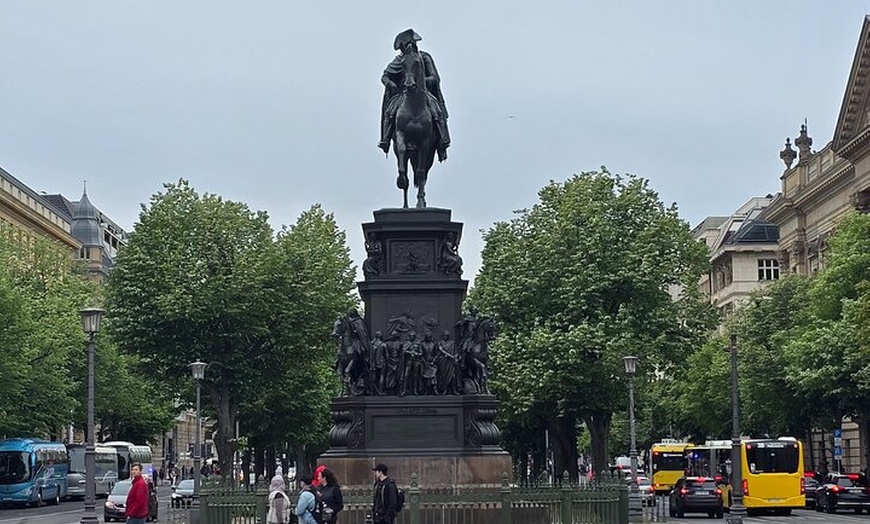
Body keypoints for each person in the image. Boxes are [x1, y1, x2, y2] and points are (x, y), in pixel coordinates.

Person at [378, 29, 451, 161]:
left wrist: (420, 81)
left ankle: (443, 139)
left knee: (437, 111)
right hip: (403, 93)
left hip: (422, 92)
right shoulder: (399, 60)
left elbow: (434, 78)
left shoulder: (424, 57)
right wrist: (390, 83)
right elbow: (385, 76)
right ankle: (385, 138)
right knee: (390, 111)